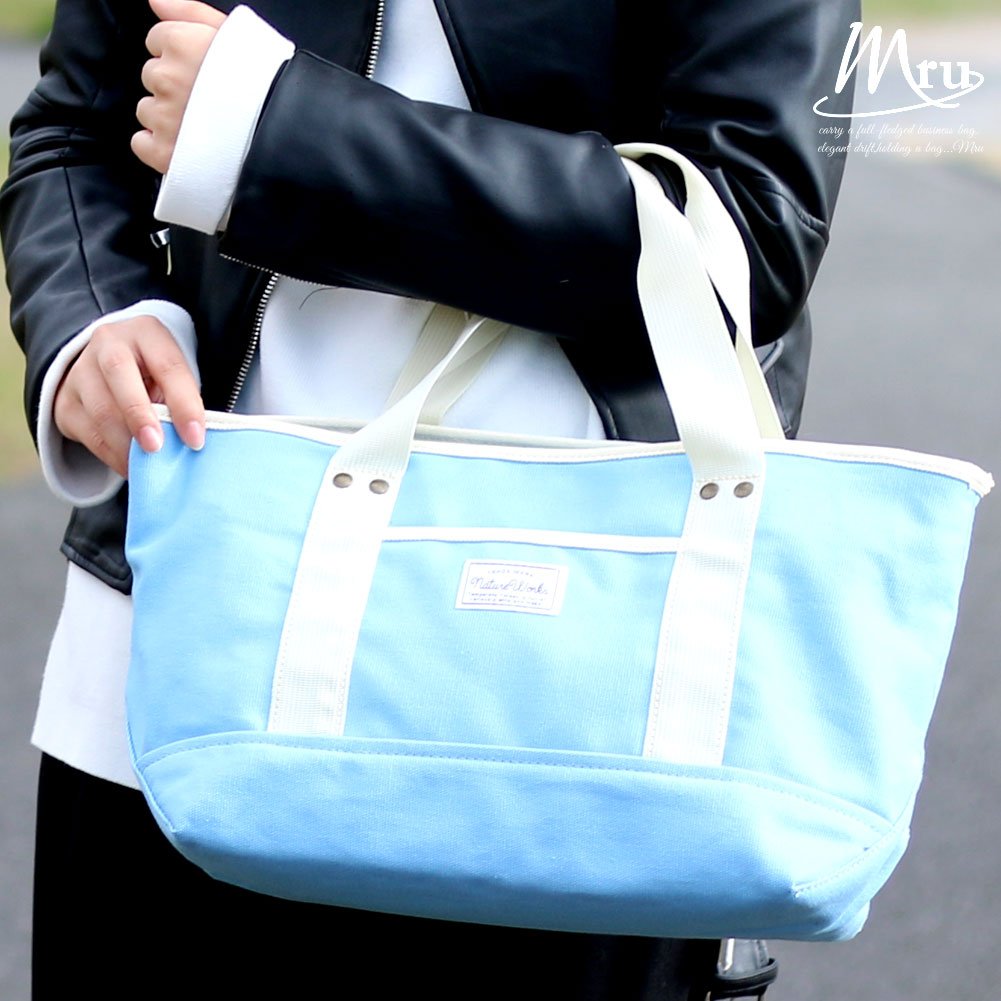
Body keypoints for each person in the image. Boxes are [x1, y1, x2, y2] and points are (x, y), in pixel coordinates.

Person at [1, 0, 858, 996]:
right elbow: (75, 134)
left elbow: (747, 230)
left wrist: (282, 133)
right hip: (179, 631)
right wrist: (93, 319)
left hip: (582, 680)